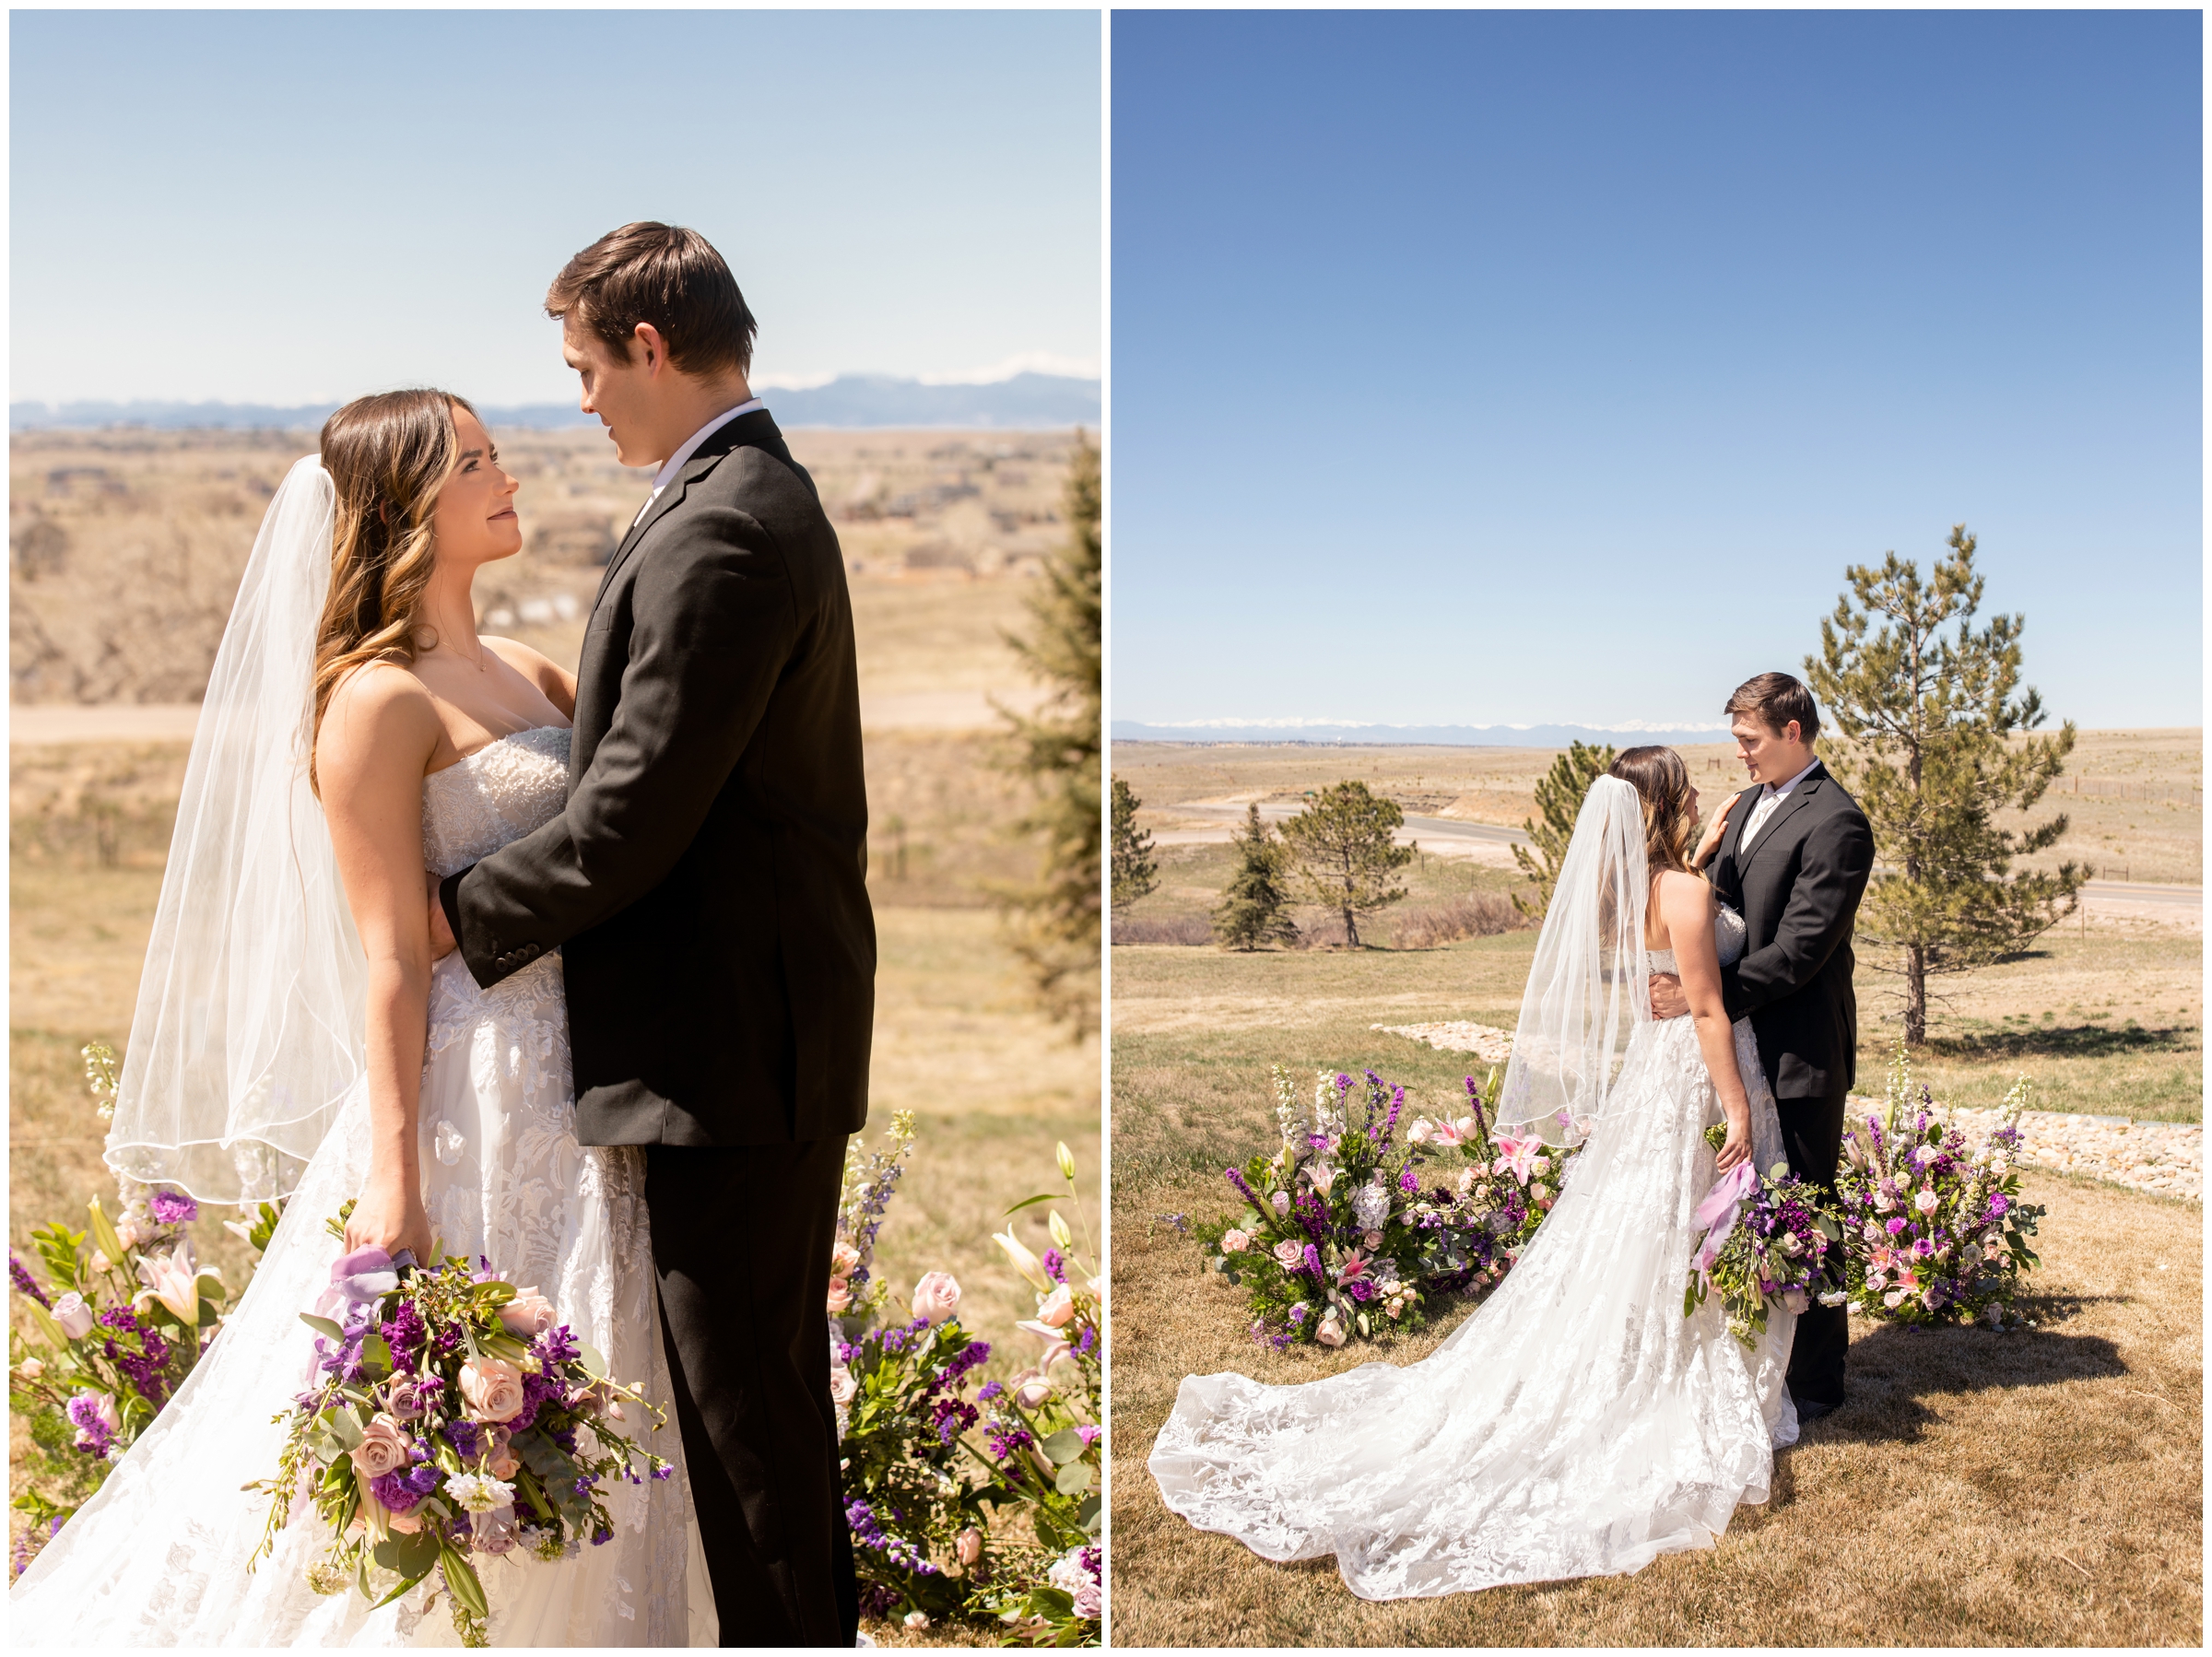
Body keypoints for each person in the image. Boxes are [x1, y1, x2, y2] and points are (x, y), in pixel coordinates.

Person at [14, 390, 715, 1643]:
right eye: (475, 463)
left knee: (606, 1392)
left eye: (499, 453)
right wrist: (396, 1175)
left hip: (594, 1082)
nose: (508, 476)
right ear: (404, 505)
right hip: (477, 1093)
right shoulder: (375, 701)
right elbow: (391, 950)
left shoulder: (538, 671)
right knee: (476, 1428)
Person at [429, 222, 873, 1648]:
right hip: (742, 1045)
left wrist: (452, 916)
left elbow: (630, 819)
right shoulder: (732, 493)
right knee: (763, 1420)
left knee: (752, 1444)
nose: (579, 401)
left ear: (647, 345)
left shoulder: (728, 523)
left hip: (730, 1057)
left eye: (583, 365)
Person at [1150, 748, 1804, 1601]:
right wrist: (1741, 1111)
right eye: (1687, 795)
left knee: (1647, 1222)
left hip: (1653, 1072)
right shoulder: (1684, 891)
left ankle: (1644, 1346)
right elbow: (1711, 1005)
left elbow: (1679, 924)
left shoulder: (1641, 887)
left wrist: (1707, 846)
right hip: (1691, 1074)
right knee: (1682, 1217)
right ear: (1666, 805)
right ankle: (1659, 1372)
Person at [1650, 672, 1874, 1420]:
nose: (1741, 756)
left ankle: (1815, 1381)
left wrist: (1705, 998)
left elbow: (1804, 947)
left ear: (1793, 732)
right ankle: (1760, 1357)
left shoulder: (1839, 822)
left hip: (1799, 1047)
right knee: (1747, 1208)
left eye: (1750, 741)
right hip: (1737, 1048)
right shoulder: (1745, 805)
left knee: (1808, 1206)